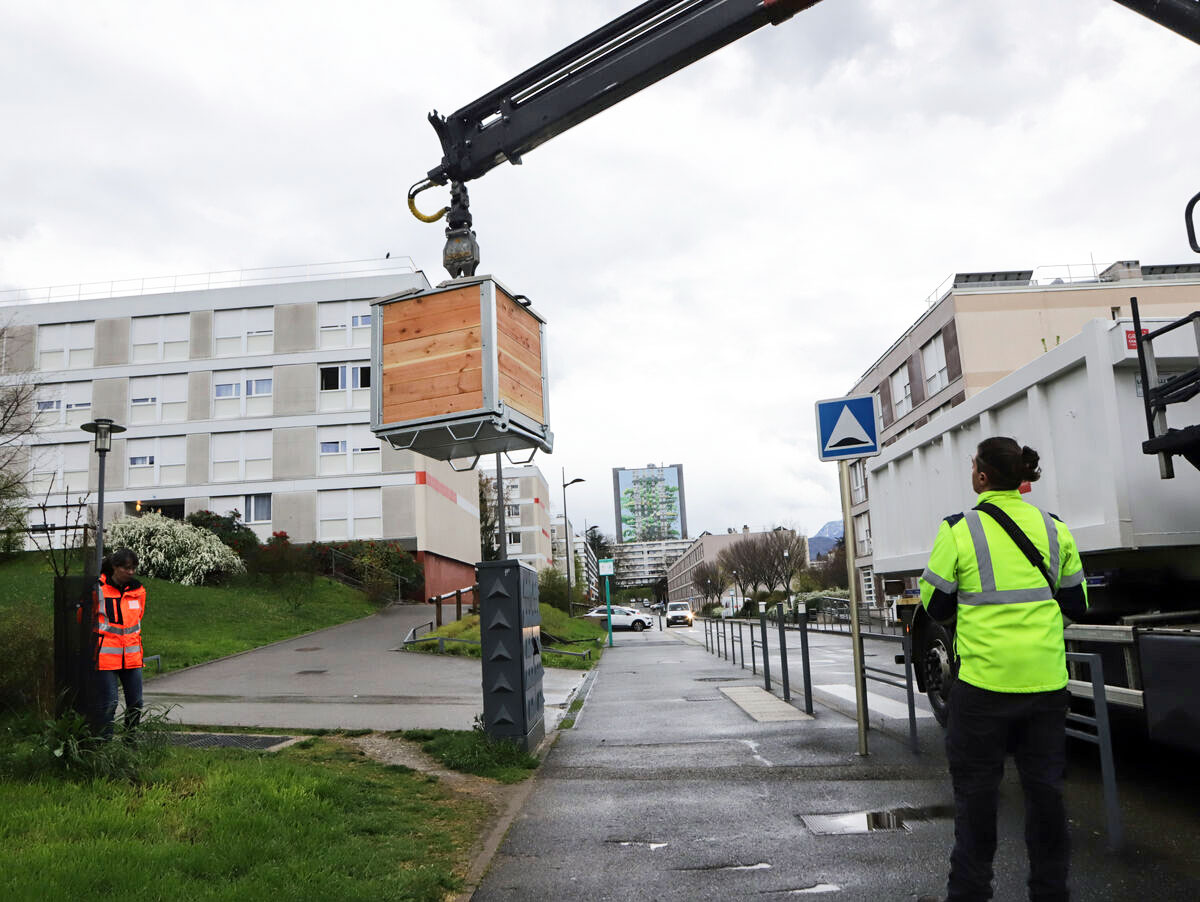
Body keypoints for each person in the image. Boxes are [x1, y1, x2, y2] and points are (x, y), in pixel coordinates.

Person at [917, 437, 1088, 902]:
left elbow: (934, 604)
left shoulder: (958, 530)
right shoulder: (1055, 529)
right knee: (1046, 799)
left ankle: (970, 895)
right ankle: (1051, 894)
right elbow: (1076, 603)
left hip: (982, 691)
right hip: (1047, 688)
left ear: (983, 476)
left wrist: (980, 628)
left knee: (976, 803)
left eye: (973, 464)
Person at [92, 548, 146, 739]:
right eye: (127, 568)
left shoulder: (138, 591)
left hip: (132, 657)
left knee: (137, 703)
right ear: (115, 567)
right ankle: (104, 744)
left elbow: (137, 618)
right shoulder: (98, 588)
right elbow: (84, 619)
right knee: (109, 703)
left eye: (134, 568)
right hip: (106, 658)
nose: (131, 572)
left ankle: (130, 740)